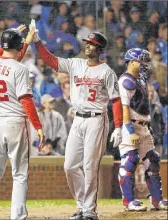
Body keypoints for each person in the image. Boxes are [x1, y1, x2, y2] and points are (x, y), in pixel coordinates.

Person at [33, 31, 123, 220]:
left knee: (90, 166)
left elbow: (116, 100)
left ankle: (90, 211)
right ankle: (82, 206)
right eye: (87, 43)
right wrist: (37, 41)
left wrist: (120, 126)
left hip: (96, 119)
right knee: (70, 166)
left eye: (91, 44)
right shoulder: (75, 64)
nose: (87, 46)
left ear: (99, 49)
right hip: (78, 119)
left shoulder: (106, 72)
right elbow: (50, 60)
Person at [0, 28, 44, 219]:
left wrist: (14, 38)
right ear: (19, 46)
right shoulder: (21, 69)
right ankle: (17, 216)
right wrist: (37, 126)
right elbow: (26, 100)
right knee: (19, 174)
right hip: (15, 122)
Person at [117, 48, 168, 211]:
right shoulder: (125, 81)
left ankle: (156, 200)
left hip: (144, 126)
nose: (145, 64)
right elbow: (124, 108)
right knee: (129, 161)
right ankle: (129, 201)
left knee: (152, 161)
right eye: (141, 61)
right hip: (130, 126)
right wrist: (130, 131)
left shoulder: (141, 78)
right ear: (131, 62)